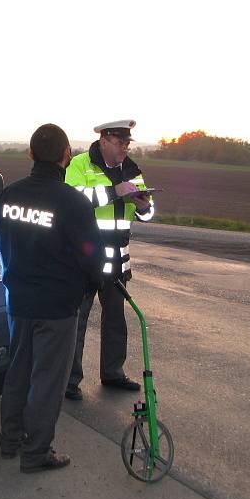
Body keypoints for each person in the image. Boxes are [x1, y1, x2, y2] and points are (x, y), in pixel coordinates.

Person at [0, 123, 103, 473]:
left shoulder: (8, 197)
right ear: (65, 156)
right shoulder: (72, 202)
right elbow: (91, 254)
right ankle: (37, 452)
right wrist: (89, 285)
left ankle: (10, 439)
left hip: (19, 301)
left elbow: (0, 242)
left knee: (17, 372)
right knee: (48, 381)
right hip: (57, 307)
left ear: (31, 154)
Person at [64, 119, 154, 401]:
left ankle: (113, 373)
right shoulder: (79, 165)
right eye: (120, 142)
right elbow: (73, 200)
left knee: (116, 321)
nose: (125, 148)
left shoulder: (132, 170)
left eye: (127, 143)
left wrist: (144, 206)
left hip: (117, 262)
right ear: (103, 140)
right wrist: (115, 192)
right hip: (85, 261)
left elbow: (147, 214)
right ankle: (69, 380)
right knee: (76, 322)